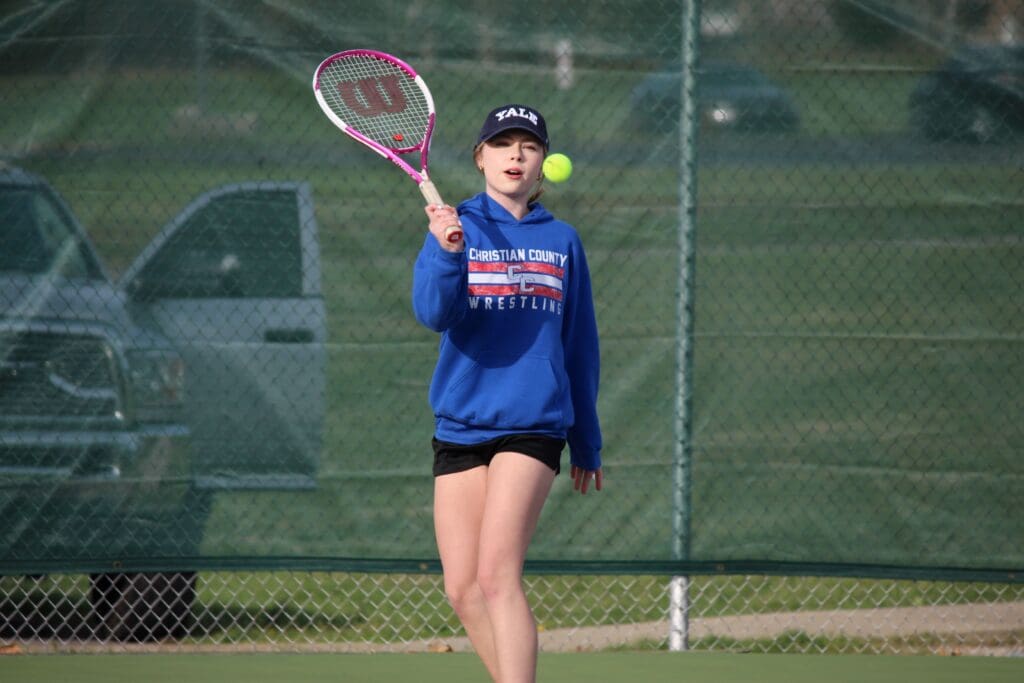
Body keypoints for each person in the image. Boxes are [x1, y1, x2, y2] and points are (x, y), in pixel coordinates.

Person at [412, 104, 603, 683]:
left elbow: (579, 344)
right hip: (461, 423)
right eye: (502, 144)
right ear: (480, 158)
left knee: (497, 576)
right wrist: (447, 252)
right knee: (462, 588)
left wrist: (587, 440)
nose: (515, 155)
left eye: (529, 145)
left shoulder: (562, 241)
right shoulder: (455, 227)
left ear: (543, 161)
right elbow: (433, 313)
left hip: (532, 423)